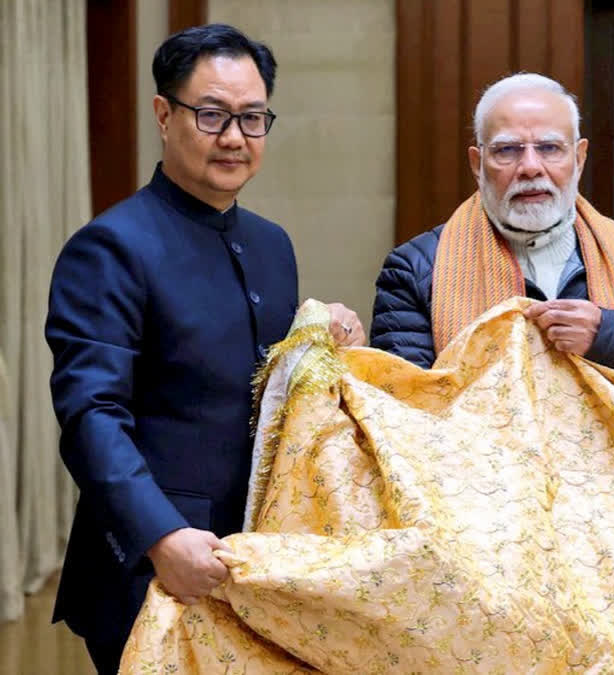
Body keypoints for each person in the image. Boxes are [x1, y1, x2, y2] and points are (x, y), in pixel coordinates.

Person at [44, 24, 365, 674]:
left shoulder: (273, 245)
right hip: (150, 565)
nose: (234, 137)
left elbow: (262, 390)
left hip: (252, 556)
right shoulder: (110, 247)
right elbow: (90, 417)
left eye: (252, 118)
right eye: (212, 114)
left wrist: (317, 336)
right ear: (164, 115)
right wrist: (161, 537)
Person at [371, 73, 614, 401]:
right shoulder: (416, 268)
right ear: (477, 164)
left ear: (579, 158)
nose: (530, 167)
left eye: (549, 148)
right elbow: (400, 415)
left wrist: (612, 336)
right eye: (507, 150)